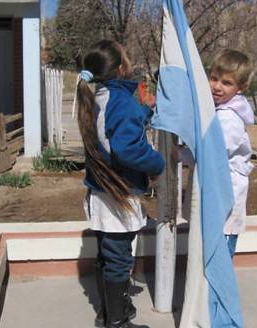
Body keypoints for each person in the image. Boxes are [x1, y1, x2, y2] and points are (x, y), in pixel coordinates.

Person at [76, 40, 164, 328]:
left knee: (108, 253)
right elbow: (126, 149)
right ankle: (117, 322)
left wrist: (147, 111)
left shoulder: (100, 96)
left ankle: (109, 311)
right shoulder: (121, 101)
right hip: (118, 194)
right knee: (118, 258)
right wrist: (157, 163)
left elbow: (119, 126)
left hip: (102, 192)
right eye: (127, 56)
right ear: (121, 67)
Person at [208, 49, 255, 258]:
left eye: (226, 83)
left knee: (220, 257)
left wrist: (181, 154)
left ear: (240, 88)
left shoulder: (228, 118)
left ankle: (219, 292)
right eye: (214, 79)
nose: (217, 86)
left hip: (227, 193)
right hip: (220, 191)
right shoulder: (221, 110)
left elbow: (213, 152)